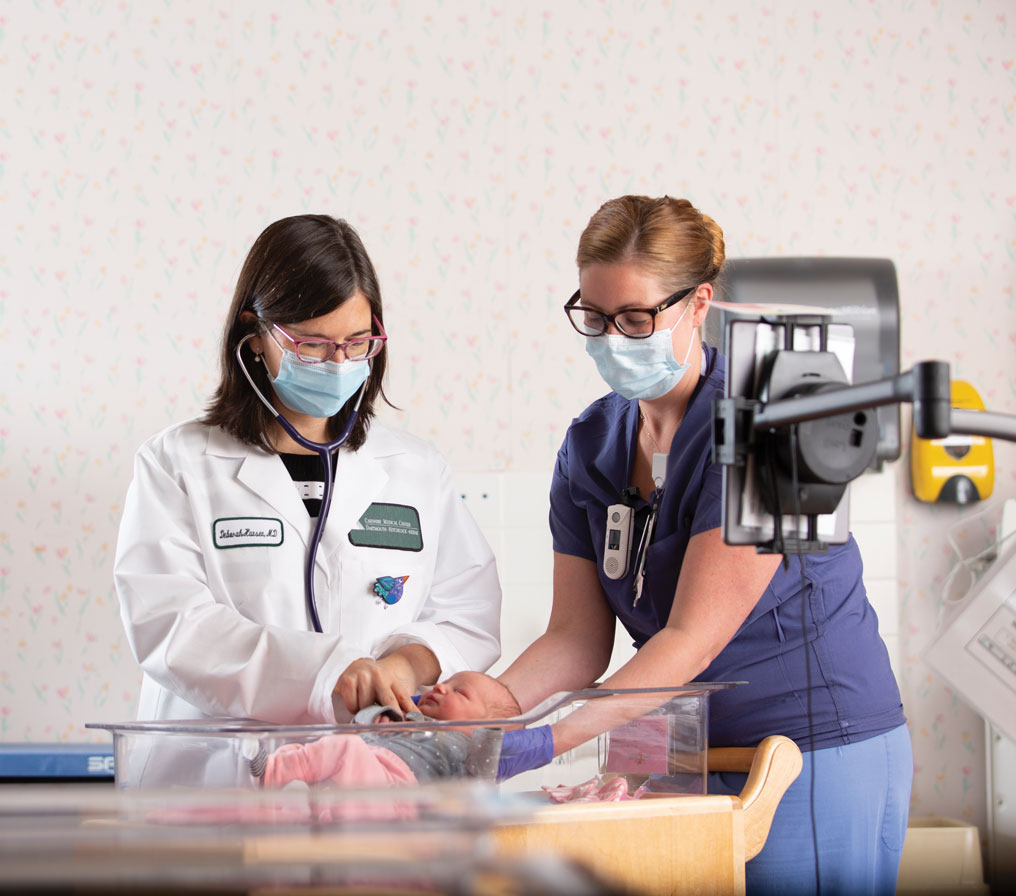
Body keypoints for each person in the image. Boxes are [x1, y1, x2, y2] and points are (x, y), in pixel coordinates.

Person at [497, 195, 911, 895]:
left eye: (634, 318)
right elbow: (574, 637)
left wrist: (542, 741)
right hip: (671, 741)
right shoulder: (590, 444)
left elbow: (690, 638)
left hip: (809, 750)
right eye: (593, 319)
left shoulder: (765, 422)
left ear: (699, 304)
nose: (612, 339)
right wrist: (489, 712)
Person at [113, 214, 502, 783]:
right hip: (213, 789)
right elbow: (173, 630)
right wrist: (329, 673)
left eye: (357, 341)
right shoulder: (177, 465)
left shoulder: (414, 471)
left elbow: (467, 613)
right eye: (313, 345)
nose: (341, 363)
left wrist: (404, 663)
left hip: (371, 789)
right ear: (255, 335)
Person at [255, 671, 524, 788]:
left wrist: (493, 736)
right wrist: (380, 719)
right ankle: (283, 797)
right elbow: (359, 725)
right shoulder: (410, 719)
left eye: (460, 692)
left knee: (343, 749)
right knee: (327, 754)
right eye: (446, 682)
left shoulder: (469, 753)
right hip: (367, 786)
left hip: (397, 790)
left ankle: (271, 771)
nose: (440, 687)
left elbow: (483, 781)